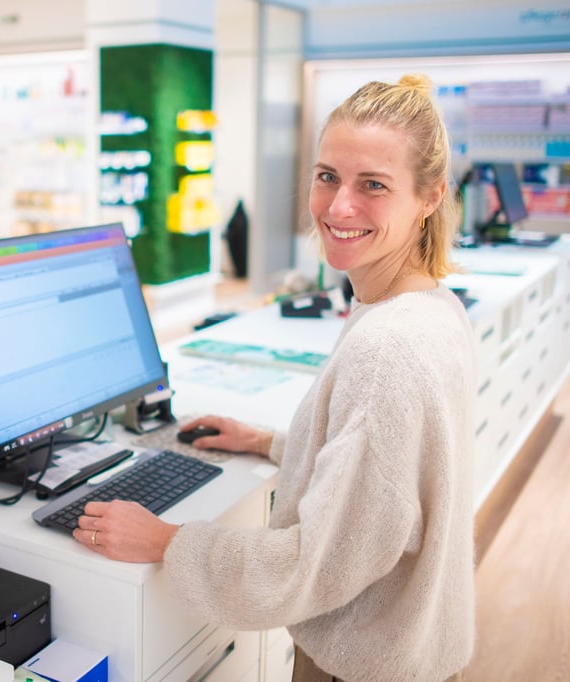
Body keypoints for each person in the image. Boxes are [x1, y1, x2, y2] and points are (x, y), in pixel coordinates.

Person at [73, 74, 476, 682]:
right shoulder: (430, 307)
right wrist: (270, 442)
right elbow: (390, 477)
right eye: (327, 176)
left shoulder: (389, 347)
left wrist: (166, 542)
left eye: (373, 185)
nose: (339, 207)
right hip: (415, 649)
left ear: (430, 197)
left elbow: (314, 565)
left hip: (363, 665)